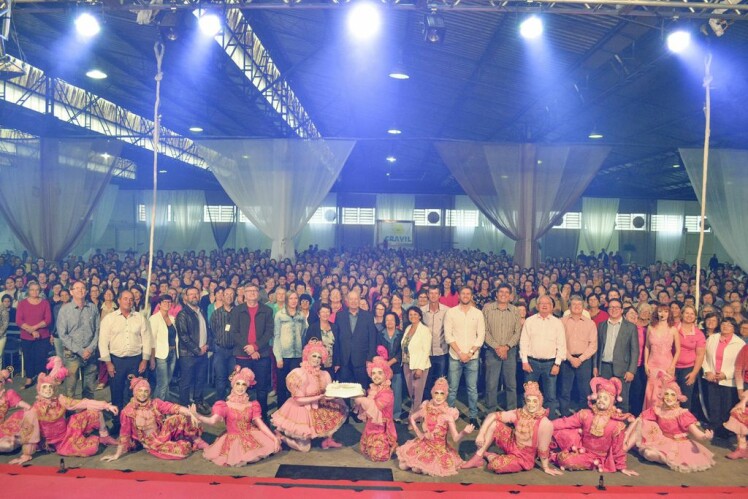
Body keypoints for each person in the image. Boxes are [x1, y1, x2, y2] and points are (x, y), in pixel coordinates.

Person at [11, 357, 118, 464]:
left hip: (67, 431)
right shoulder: (34, 409)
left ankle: (105, 437)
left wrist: (106, 406)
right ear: (39, 389)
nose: (48, 390)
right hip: (56, 442)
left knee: (96, 412)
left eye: (50, 387)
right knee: (89, 449)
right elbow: (29, 432)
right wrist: (26, 454)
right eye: (44, 387)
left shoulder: (60, 400)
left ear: (54, 389)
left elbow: (82, 403)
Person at [461, 381, 560, 475]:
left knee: (495, 465)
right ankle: (478, 456)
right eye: (528, 400)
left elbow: (543, 448)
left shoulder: (545, 423)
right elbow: (493, 415)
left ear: (540, 402)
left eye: (535, 401)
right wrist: (481, 434)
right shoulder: (520, 412)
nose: (531, 404)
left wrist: (546, 467)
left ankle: (489, 455)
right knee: (494, 423)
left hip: (523, 457)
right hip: (511, 443)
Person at [101, 376, 206, 461]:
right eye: (140, 391)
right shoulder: (128, 412)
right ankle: (183, 441)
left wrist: (190, 414)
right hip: (152, 442)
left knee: (181, 417)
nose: (143, 394)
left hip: (162, 432)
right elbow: (124, 434)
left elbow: (172, 407)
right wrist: (116, 455)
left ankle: (197, 440)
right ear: (135, 392)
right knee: (183, 450)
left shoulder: (155, 403)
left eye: (146, 391)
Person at [192, 367, 281, 466]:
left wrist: (274, 438)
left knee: (266, 447)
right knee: (235, 458)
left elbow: (260, 425)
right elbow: (212, 421)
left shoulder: (252, 405)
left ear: (247, 387)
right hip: (233, 440)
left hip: (251, 435)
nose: (240, 387)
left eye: (243, 384)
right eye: (237, 383)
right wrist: (198, 416)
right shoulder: (225, 405)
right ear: (233, 385)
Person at [271, 339, 348, 452]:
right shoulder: (299, 373)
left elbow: (328, 394)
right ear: (307, 356)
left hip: (318, 405)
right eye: (314, 356)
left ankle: (327, 440)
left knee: (336, 406)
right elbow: (298, 400)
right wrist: (319, 397)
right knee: (304, 448)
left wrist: (335, 393)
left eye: (319, 357)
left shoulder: (325, 374)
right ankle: (280, 437)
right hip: (302, 408)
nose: (316, 359)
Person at [551, 377, 637, 475]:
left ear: (612, 401)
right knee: (556, 431)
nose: (601, 400)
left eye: (605, 398)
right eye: (599, 397)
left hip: (595, 457)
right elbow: (566, 422)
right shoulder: (586, 414)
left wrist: (622, 467)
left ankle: (556, 455)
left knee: (566, 460)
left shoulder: (616, 424)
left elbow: (618, 449)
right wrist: (548, 425)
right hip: (580, 445)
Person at [630, 372, 715, 472]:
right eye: (666, 394)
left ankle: (670, 459)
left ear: (677, 397)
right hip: (662, 440)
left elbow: (696, 433)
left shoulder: (681, 413)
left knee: (653, 455)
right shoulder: (658, 410)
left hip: (679, 444)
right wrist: (634, 421)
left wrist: (705, 436)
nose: (669, 397)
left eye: (672, 395)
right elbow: (644, 417)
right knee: (648, 453)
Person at [396, 377, 474, 476]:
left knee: (418, 469)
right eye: (436, 393)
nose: (438, 396)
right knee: (402, 466)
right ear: (432, 394)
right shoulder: (427, 408)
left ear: (445, 396)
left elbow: (455, 438)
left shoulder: (448, 414)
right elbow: (412, 417)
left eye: (442, 393)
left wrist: (464, 432)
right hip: (424, 444)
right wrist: (418, 432)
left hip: (439, 450)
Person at [99, 290, 153, 423]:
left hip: (135, 361)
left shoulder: (140, 318)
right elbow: (102, 342)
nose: (128, 301)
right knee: (116, 392)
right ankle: (117, 422)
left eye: (131, 299)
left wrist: (144, 360)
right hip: (116, 361)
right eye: (125, 299)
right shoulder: (109, 319)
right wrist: (108, 363)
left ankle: (134, 423)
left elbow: (147, 340)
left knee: (134, 393)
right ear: (119, 300)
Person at [229, 284, 274, 418]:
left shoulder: (267, 310)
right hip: (242, 354)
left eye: (255, 291)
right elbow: (234, 332)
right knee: (241, 387)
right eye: (249, 291)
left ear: (258, 294)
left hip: (262, 354)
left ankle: (261, 416)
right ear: (244, 294)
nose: (252, 293)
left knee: (262, 388)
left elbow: (269, 332)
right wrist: (249, 348)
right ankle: (242, 416)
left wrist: (255, 347)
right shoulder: (237, 310)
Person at [520, 295, 566, 419]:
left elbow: (561, 344)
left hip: (550, 364)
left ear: (552, 307)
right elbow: (524, 342)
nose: (544, 305)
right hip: (531, 363)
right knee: (529, 394)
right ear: (537, 306)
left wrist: (557, 364)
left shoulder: (557, 323)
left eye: (548, 303)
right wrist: (524, 361)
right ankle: (528, 420)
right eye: (542, 303)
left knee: (550, 396)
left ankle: (548, 422)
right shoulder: (530, 321)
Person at [444, 286, 485, 426]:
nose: (466, 296)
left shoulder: (478, 313)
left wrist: (470, 352)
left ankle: (473, 416)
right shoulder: (451, 313)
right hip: (455, 356)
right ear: (459, 296)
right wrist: (460, 353)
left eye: (468, 294)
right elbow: (448, 336)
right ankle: (448, 417)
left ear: (471, 296)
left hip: (472, 357)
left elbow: (481, 336)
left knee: (472, 389)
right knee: (452, 388)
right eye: (463, 293)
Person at [353, 346, 398, 461]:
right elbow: (368, 404)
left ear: (386, 374)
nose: (376, 376)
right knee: (368, 451)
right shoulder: (373, 389)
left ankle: (391, 445)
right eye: (373, 373)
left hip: (382, 429)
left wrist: (360, 399)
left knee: (378, 456)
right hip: (371, 427)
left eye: (379, 373)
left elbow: (374, 407)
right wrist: (362, 395)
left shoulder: (387, 393)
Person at [56, 280, 100, 400]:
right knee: (70, 389)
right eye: (77, 288)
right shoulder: (65, 310)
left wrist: (90, 348)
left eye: (83, 288)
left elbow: (98, 331)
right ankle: (70, 416)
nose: (80, 290)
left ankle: (88, 415)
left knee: (89, 389)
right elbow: (63, 334)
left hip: (90, 353)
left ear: (86, 291)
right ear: (71, 292)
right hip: (72, 354)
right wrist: (80, 351)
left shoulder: (93, 308)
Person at [482, 283, 521, 412]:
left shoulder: (515, 310)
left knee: (511, 384)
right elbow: (484, 331)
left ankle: (511, 412)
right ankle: (491, 412)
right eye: (501, 292)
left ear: (510, 296)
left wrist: (506, 347)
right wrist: (497, 347)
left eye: (506, 292)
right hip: (492, 352)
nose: (503, 294)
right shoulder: (488, 309)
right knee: (491, 384)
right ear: (496, 294)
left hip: (510, 351)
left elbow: (517, 332)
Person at [595, 298, 638, 413]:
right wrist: (596, 367)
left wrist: (631, 371)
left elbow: (635, 351)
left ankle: (621, 428)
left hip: (623, 369)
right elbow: (597, 349)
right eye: (611, 307)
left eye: (617, 307)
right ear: (608, 309)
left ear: (622, 310)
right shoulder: (601, 326)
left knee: (622, 400)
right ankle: (605, 425)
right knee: (604, 398)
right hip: (604, 367)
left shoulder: (630, 327)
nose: (614, 310)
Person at [703, 317, 743, 440]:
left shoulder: (740, 343)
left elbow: (740, 364)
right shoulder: (712, 338)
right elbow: (703, 356)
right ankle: (713, 430)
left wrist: (726, 374)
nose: (725, 326)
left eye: (729, 325)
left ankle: (725, 432)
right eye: (724, 324)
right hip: (712, 378)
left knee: (726, 407)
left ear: (734, 328)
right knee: (713, 406)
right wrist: (707, 370)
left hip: (729, 380)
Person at [558, 295, 598, 417]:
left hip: (584, 360)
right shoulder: (561, 321)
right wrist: (570, 358)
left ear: (583, 307)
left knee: (584, 390)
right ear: (569, 307)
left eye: (579, 305)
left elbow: (593, 345)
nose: (576, 307)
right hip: (566, 359)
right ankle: (564, 415)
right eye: (574, 304)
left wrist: (579, 359)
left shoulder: (590, 323)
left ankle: (583, 415)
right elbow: (559, 342)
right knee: (565, 389)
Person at [176, 287, 211, 415]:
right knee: (186, 382)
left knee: (200, 379)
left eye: (196, 294)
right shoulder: (182, 314)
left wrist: (207, 346)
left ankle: (198, 402)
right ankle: (184, 407)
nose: (194, 296)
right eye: (191, 294)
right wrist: (197, 350)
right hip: (189, 354)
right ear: (186, 297)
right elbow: (183, 336)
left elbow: (207, 330)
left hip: (203, 352)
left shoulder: (201, 311)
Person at [336, 290, 377, 389]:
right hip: (344, 360)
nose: (353, 301)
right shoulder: (340, 316)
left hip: (361, 360)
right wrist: (337, 361)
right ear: (347, 301)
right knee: (344, 391)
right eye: (351, 299)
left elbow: (372, 339)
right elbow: (337, 340)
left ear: (359, 300)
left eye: (356, 299)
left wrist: (369, 358)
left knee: (361, 390)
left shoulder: (368, 316)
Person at [643, 304, 681, 410]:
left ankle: (664, 417)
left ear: (669, 314)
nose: (662, 314)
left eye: (665, 311)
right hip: (652, 364)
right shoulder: (650, 328)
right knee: (651, 392)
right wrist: (645, 363)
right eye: (660, 311)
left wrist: (672, 366)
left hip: (666, 364)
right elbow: (647, 347)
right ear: (656, 313)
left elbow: (678, 350)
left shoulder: (673, 329)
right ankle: (650, 416)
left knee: (665, 391)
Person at [274, 291, 307, 408]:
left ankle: (293, 411)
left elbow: (303, 333)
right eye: (291, 298)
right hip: (283, 355)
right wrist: (278, 357)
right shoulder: (279, 315)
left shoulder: (301, 315)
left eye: (295, 298)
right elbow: (276, 336)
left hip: (297, 355)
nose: (293, 301)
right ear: (287, 300)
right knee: (282, 386)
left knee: (295, 386)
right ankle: (281, 411)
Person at [16, 281, 52, 388]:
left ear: (40, 291)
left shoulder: (45, 303)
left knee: (41, 357)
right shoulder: (22, 303)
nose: (34, 292)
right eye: (32, 289)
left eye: (37, 289)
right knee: (28, 357)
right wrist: (31, 331)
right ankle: (29, 378)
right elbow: (19, 320)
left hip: (42, 336)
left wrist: (34, 328)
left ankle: (41, 379)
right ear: (28, 291)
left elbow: (48, 319)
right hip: (26, 336)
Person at [401, 306, 432, 420]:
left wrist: (420, 368)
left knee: (417, 394)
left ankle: (413, 418)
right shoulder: (408, 327)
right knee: (411, 393)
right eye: (410, 315)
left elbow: (426, 350)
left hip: (419, 365)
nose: (413, 316)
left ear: (419, 316)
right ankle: (417, 413)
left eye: (415, 314)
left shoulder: (424, 330)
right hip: (407, 364)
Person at [675, 305, 706, 411]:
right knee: (670, 396)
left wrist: (694, 373)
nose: (689, 316)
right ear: (682, 314)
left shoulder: (699, 334)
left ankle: (684, 424)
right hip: (671, 367)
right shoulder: (673, 328)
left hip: (688, 369)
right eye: (687, 313)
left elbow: (700, 355)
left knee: (685, 398)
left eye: (692, 313)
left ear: (695, 317)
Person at [421, 285, 448, 400]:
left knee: (440, 382)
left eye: (436, 293)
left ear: (440, 295)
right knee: (426, 381)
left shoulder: (447, 311)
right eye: (431, 293)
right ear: (427, 295)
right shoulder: (421, 311)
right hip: (426, 353)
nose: (433, 296)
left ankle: (439, 407)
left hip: (441, 351)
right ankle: (426, 406)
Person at [149, 295, 178, 401]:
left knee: (166, 381)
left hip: (172, 352)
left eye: (169, 302)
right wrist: (152, 358)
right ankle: (161, 407)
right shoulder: (154, 319)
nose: (167, 304)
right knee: (163, 382)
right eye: (165, 302)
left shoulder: (172, 319)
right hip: (160, 355)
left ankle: (156, 403)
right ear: (159, 304)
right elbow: (151, 340)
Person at [377, 311, 403, 421]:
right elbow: (377, 349)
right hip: (382, 368)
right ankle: (383, 414)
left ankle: (396, 415)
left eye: (392, 319)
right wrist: (384, 363)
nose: (389, 322)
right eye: (387, 320)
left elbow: (402, 351)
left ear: (396, 321)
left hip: (396, 366)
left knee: (397, 391)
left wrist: (391, 362)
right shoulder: (380, 334)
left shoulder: (401, 334)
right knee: (383, 392)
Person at [210, 287, 235, 400]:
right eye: (226, 294)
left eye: (231, 294)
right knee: (220, 378)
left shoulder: (238, 312)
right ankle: (220, 404)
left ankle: (232, 404)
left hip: (234, 351)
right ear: (222, 296)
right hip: (220, 350)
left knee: (233, 378)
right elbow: (213, 331)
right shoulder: (216, 314)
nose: (229, 296)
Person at [304, 303, 341, 379]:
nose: (325, 314)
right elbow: (306, 346)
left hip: (331, 363)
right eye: (323, 312)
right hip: (316, 364)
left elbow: (338, 346)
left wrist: (337, 363)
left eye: (327, 312)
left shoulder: (335, 327)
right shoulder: (313, 327)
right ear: (319, 314)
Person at [0, 366, 31, 452]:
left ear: (4, 382)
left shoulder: (8, 394)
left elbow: (28, 407)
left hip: (2, 430)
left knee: (10, 445)